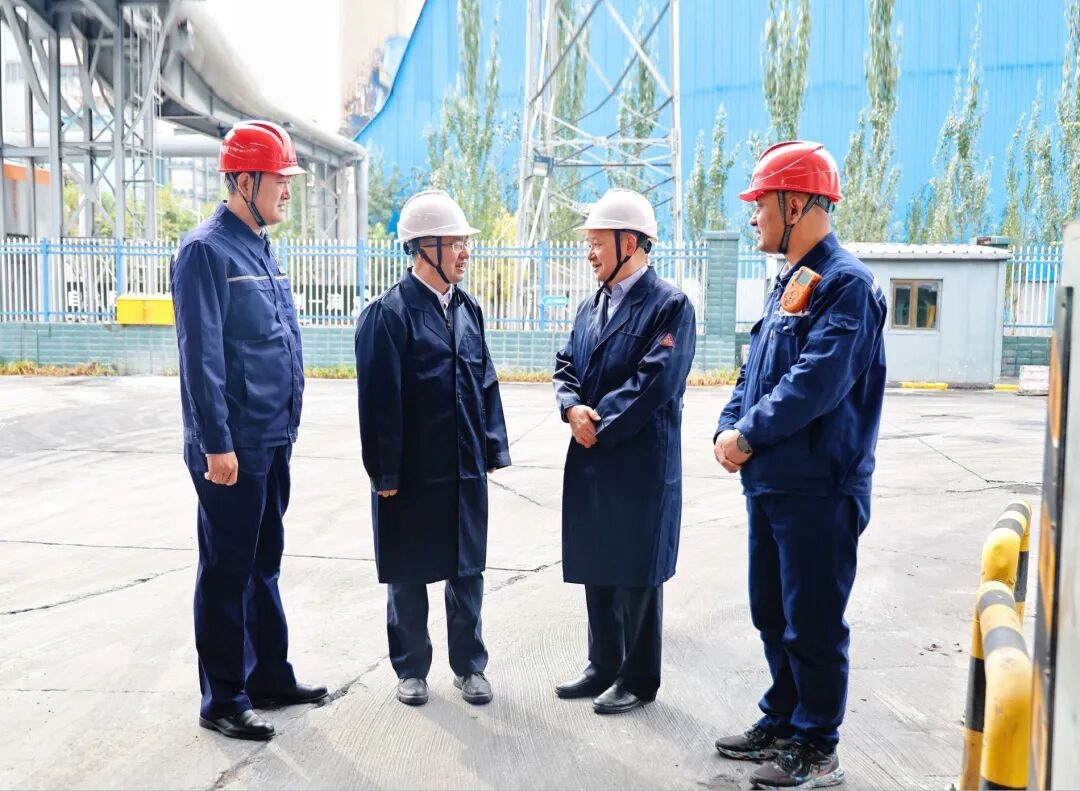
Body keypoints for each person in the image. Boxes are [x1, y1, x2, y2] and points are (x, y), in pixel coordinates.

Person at [711, 141, 887, 788]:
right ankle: (783, 718)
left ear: (796, 205)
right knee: (772, 612)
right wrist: (728, 425)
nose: (754, 215)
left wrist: (748, 435)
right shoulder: (790, 282)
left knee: (811, 621)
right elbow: (754, 370)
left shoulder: (846, 286)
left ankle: (817, 745)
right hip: (773, 484)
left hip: (820, 488)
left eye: (761, 203)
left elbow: (815, 383)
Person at [171, 120, 327, 742]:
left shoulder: (260, 246)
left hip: (271, 435)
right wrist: (217, 443)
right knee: (228, 568)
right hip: (232, 445)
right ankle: (223, 698)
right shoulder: (205, 251)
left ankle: (268, 677)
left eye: (289, 179)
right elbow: (201, 357)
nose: (287, 190)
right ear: (242, 181)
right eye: (278, 179)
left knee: (264, 562)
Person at [354, 189, 511, 708]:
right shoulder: (388, 314)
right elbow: (378, 400)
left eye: (465, 242)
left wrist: (491, 447)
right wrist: (385, 473)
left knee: (467, 569)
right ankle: (411, 669)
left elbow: (485, 381)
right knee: (408, 570)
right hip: (411, 470)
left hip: (464, 466)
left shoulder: (467, 309)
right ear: (424, 248)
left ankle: (470, 666)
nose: (466, 252)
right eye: (456, 242)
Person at [551, 188, 696, 715]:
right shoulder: (591, 305)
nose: (590, 253)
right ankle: (602, 663)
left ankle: (637, 678)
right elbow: (565, 363)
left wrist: (599, 422)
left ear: (629, 243)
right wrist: (571, 407)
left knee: (636, 573)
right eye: (589, 243)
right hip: (593, 456)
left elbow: (656, 381)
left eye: (597, 242)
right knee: (598, 562)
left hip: (639, 462)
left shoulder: (670, 306)